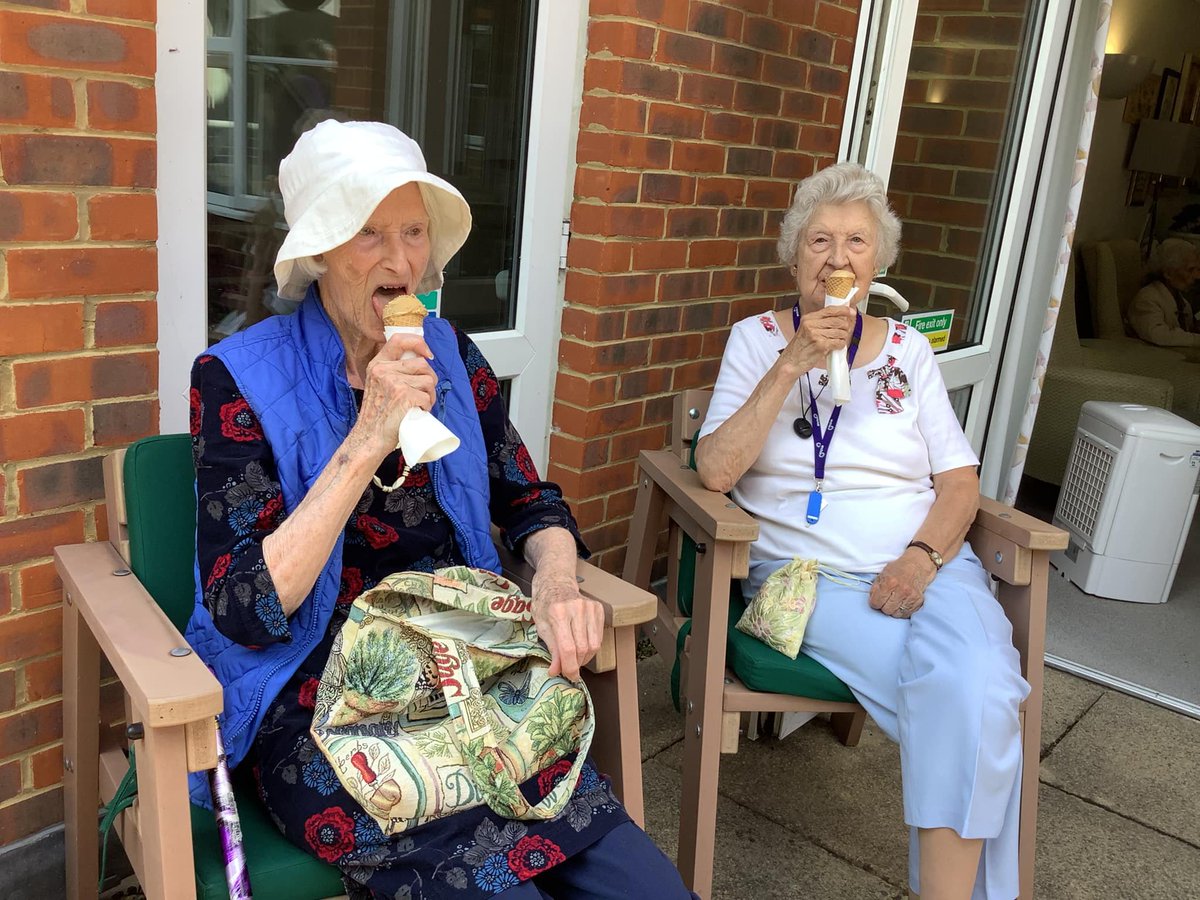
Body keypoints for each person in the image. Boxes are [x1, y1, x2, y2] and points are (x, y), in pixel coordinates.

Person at [184, 120, 693, 900]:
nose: (400, 261)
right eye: (367, 234)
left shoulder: (450, 352)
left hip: (467, 667)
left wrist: (557, 580)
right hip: (320, 703)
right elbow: (246, 607)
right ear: (319, 249)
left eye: (413, 231)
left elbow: (531, 500)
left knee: (646, 888)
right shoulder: (236, 380)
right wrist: (368, 435)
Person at [695, 162, 1028, 900]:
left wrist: (922, 558)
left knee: (981, 688)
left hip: (929, 564)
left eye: (855, 242)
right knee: (978, 700)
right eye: (819, 240)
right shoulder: (755, 340)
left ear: (879, 263)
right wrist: (793, 363)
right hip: (812, 581)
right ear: (793, 258)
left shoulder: (910, 352)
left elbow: (959, 482)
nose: (837, 258)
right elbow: (716, 469)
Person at [1127, 238, 1200, 348]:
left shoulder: (1184, 304)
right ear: (1168, 273)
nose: (1197, 276)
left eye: (1198, 270)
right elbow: (1158, 335)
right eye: (1190, 270)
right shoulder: (1147, 299)